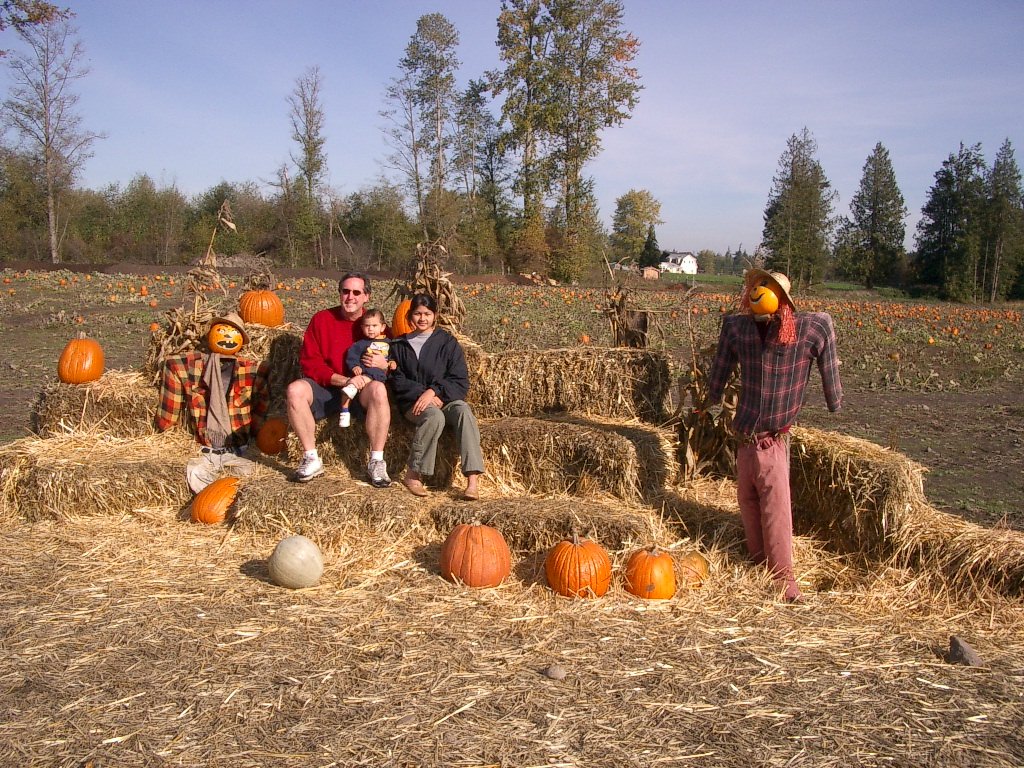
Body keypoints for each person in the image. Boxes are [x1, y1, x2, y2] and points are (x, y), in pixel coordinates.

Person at [704, 268, 843, 603]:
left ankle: (784, 580)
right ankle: (758, 561)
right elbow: (720, 367)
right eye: (755, 285)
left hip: (772, 440)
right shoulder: (737, 328)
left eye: (766, 286)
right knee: (749, 502)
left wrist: (833, 396)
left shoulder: (807, 329)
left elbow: (825, 327)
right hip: (745, 440)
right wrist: (711, 396)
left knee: (776, 509)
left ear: (783, 299)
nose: (757, 291)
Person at [286, 273, 392, 486]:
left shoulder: (375, 324)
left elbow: (393, 360)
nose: (350, 297)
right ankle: (311, 457)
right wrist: (344, 380)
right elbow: (310, 362)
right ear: (339, 293)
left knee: (379, 390)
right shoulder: (322, 320)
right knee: (294, 390)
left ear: (366, 296)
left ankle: (376, 461)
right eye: (345, 291)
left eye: (356, 292)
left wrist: (385, 366)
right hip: (329, 386)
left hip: (363, 389)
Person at [155, 311, 269, 493]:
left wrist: (259, 438)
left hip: (240, 450)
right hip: (206, 451)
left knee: (246, 485)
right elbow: (171, 364)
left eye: (232, 333)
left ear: (240, 340)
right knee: (199, 480)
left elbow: (262, 411)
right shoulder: (192, 367)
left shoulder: (253, 371)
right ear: (211, 334)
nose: (226, 337)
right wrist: (165, 426)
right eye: (221, 331)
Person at [389, 293, 484, 501]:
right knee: (434, 416)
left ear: (435, 316)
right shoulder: (398, 346)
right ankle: (414, 474)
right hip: (414, 404)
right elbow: (397, 380)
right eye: (417, 314)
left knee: (463, 411)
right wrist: (421, 395)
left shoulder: (447, 343)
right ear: (409, 317)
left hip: (444, 399)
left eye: (427, 314)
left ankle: (472, 480)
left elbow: (460, 379)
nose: (422, 318)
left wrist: (435, 391)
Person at [338, 309, 396, 428]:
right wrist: (355, 366)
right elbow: (352, 356)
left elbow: (393, 356)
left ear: (382, 327)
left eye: (374, 325)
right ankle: (344, 411)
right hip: (366, 373)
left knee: (352, 388)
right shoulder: (361, 344)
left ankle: (348, 399)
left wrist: (391, 363)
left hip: (379, 376)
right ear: (362, 327)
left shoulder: (389, 343)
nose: (370, 329)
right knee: (352, 386)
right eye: (367, 326)